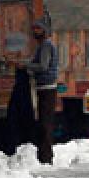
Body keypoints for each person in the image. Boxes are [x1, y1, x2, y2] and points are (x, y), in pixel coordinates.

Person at [20, 21, 57, 164]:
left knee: (45, 124)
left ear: (44, 30)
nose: (35, 32)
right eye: (33, 28)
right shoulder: (42, 46)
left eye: (38, 29)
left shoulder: (46, 46)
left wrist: (26, 66)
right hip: (44, 87)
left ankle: (46, 157)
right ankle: (45, 155)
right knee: (44, 122)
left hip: (46, 88)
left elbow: (43, 65)